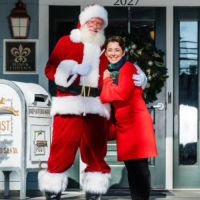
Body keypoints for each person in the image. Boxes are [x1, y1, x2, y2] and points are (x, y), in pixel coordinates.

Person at [38, 5, 147, 200]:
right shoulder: (66, 42)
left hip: (97, 106)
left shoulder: (105, 47)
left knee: (96, 152)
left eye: (99, 23)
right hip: (69, 102)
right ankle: (53, 191)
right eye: (92, 22)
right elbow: (50, 69)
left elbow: (120, 65)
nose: (95, 26)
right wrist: (72, 69)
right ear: (83, 22)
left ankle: (94, 193)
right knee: (61, 148)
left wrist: (140, 75)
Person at [100, 36, 158, 200]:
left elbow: (121, 93)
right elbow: (111, 94)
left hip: (137, 123)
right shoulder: (111, 70)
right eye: (109, 50)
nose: (113, 53)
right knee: (131, 169)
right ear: (105, 53)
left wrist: (106, 81)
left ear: (123, 52)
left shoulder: (128, 67)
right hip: (124, 124)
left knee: (140, 168)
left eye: (117, 50)